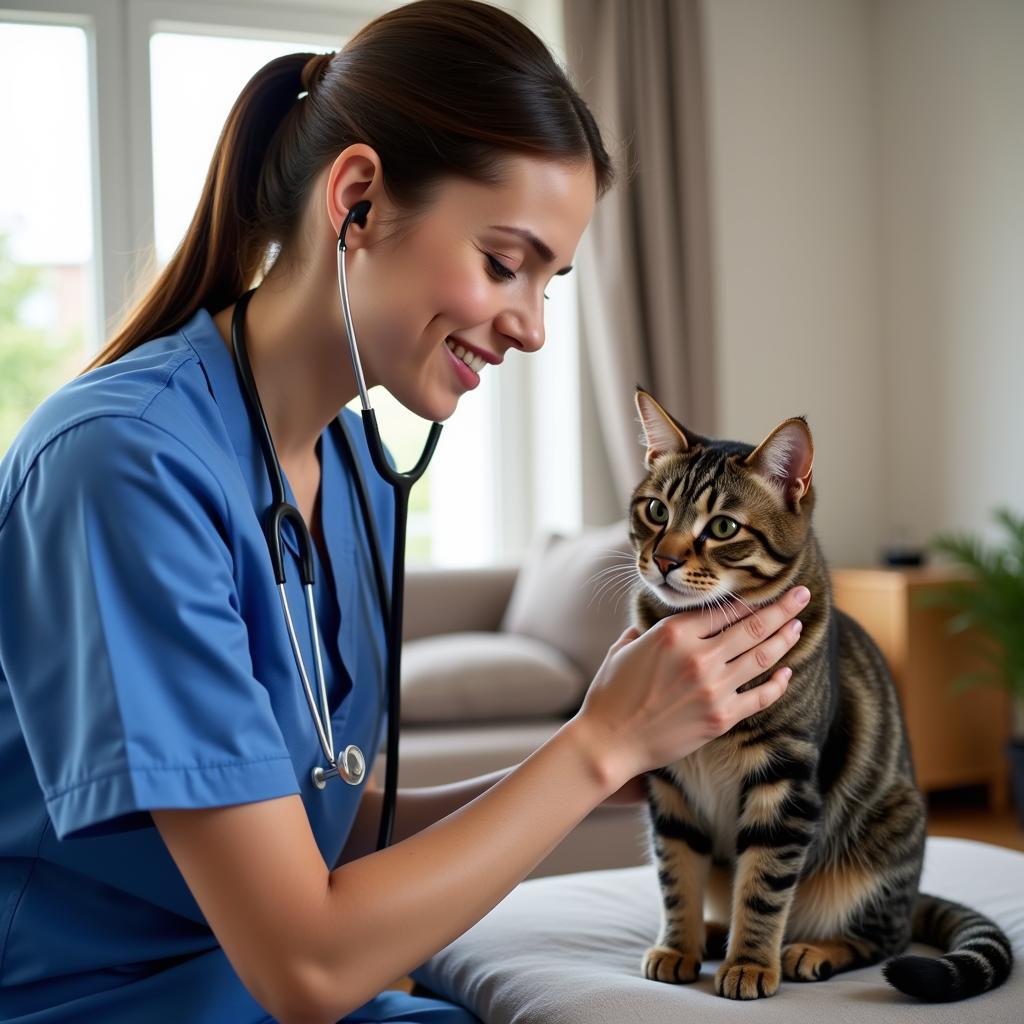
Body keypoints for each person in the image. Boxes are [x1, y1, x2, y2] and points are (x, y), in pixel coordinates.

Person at [0, 2, 806, 1021]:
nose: (530, 327)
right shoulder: (124, 467)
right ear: (359, 199)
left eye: (550, 284)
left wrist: (609, 762)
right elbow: (306, 965)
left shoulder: (347, 462)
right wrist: (593, 743)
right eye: (505, 262)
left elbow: (323, 821)